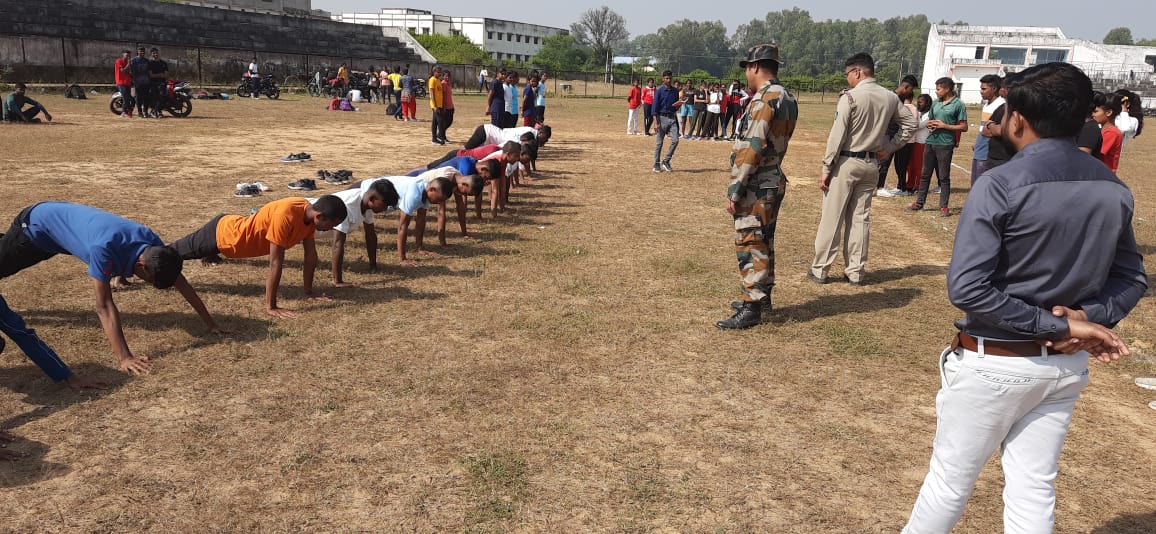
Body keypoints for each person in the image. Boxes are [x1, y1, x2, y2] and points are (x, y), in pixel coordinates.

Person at [901, 61, 1147, 534]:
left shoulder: (1000, 183)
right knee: (1033, 489)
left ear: (1016, 119)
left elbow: (968, 287)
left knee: (949, 484)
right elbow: (1131, 277)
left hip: (996, 360)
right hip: (1062, 368)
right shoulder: (1111, 187)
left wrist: (1069, 324)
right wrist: (1086, 318)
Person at [0, 202, 225, 375]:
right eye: (149, 280)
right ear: (141, 266)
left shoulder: (151, 243)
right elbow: (104, 306)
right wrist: (125, 358)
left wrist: (211, 324)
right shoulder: (103, 250)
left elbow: (181, 282)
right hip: (34, 230)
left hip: (58, 228)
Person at [809, 53, 915, 287]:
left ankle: (820, 269)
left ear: (857, 72)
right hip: (871, 165)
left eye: (848, 74)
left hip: (846, 162)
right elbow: (910, 124)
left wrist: (826, 167)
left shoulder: (850, 98)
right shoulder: (890, 97)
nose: (847, 79)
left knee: (832, 217)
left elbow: (837, 136)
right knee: (860, 219)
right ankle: (855, 271)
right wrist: (889, 147)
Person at [715, 45, 799, 330]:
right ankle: (762, 298)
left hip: (756, 183)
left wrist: (735, 189)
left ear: (754, 67)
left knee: (750, 242)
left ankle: (752, 305)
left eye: (746, 69)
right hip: (773, 179)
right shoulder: (787, 97)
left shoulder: (765, 100)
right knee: (764, 241)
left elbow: (753, 147)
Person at [169, 196, 347, 318]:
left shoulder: (309, 217)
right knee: (167, 255)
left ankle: (208, 254)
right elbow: (275, 262)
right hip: (222, 236)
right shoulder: (285, 215)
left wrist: (309, 293)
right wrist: (272, 306)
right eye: (332, 224)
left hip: (232, 234)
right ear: (320, 216)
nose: (331, 229)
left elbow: (311, 257)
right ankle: (141, 264)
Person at [313, 179, 399, 287]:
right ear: (372, 199)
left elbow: (370, 235)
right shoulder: (347, 206)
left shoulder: (366, 205)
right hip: (304, 225)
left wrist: (373, 265)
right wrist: (338, 281)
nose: (385, 208)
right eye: (384, 204)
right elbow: (338, 244)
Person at [909, 77, 967, 216]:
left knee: (943, 176)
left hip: (945, 144)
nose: (936, 92)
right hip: (931, 142)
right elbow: (931, 120)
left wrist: (945, 126)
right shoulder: (935, 103)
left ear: (947, 89)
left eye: (938, 89)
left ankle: (944, 207)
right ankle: (919, 202)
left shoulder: (958, 104)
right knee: (925, 174)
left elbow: (964, 127)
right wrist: (931, 125)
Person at [382, 175, 453, 265]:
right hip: (367, 189)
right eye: (439, 199)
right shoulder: (414, 194)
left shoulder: (426, 192)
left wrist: (420, 248)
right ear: (432, 190)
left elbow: (421, 220)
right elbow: (402, 226)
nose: (439, 202)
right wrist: (403, 259)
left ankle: (418, 248)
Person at [874, 74, 918, 196]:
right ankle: (879, 187)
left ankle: (879, 186)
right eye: (911, 89)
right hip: (887, 133)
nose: (911, 92)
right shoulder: (891, 97)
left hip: (894, 134)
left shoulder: (900, 99)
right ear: (906, 86)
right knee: (884, 160)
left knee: (886, 160)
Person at [968, 74, 1006, 184]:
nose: (981, 91)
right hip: (979, 149)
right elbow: (983, 127)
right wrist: (977, 142)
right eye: (981, 88)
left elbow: (997, 130)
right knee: (974, 182)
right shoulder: (987, 105)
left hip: (988, 152)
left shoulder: (1001, 105)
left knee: (981, 184)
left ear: (994, 89)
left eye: (984, 89)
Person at [980, 75, 1016, 171]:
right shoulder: (996, 106)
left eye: (1002, 87)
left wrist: (991, 126)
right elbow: (984, 130)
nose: (981, 91)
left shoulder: (1003, 106)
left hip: (1001, 157)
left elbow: (1001, 130)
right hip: (989, 153)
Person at [651, 71, 683, 173]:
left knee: (675, 140)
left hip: (672, 118)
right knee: (659, 143)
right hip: (661, 118)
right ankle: (656, 164)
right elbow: (654, 108)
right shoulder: (659, 91)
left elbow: (675, 106)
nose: (669, 80)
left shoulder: (675, 91)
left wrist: (680, 104)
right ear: (663, 79)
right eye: (666, 78)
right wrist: (656, 122)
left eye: (670, 78)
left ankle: (666, 161)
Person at [904, 94, 932, 194]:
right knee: (910, 166)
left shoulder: (929, 114)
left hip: (922, 142)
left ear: (927, 103)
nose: (918, 104)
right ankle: (910, 184)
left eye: (921, 102)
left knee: (920, 166)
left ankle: (919, 186)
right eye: (918, 101)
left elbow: (919, 126)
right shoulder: (917, 112)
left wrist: (911, 121)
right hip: (913, 142)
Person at [1092, 91, 1123, 173]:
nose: (1092, 114)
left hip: (1103, 175)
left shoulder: (1112, 133)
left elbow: (1097, 153)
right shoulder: (1103, 130)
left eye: (1095, 112)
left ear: (1109, 112)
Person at [129, 47, 152, 118]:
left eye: (143, 51)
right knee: (138, 97)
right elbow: (130, 71)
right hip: (137, 82)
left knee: (146, 98)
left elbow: (149, 72)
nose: (142, 53)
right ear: (137, 52)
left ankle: (145, 111)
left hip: (146, 82)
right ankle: (140, 112)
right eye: (140, 51)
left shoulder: (147, 61)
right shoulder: (133, 60)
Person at [147, 48, 169, 119]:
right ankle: (154, 111)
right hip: (153, 83)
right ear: (151, 54)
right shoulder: (150, 63)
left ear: (159, 53)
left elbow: (166, 74)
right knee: (154, 97)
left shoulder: (163, 63)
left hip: (162, 83)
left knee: (162, 96)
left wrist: (158, 75)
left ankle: (158, 111)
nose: (155, 54)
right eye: (154, 53)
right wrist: (160, 74)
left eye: (156, 53)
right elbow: (151, 75)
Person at [114, 50, 134, 118]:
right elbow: (122, 71)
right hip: (120, 82)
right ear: (123, 54)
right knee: (125, 97)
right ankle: (125, 112)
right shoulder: (119, 61)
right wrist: (128, 64)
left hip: (128, 82)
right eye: (127, 55)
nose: (128, 57)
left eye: (129, 56)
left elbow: (130, 73)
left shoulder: (129, 63)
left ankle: (126, 112)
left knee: (128, 98)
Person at [428, 66, 445, 144]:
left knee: (435, 122)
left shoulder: (438, 80)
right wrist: (435, 106)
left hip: (439, 104)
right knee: (440, 121)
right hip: (435, 104)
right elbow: (432, 94)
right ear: (434, 72)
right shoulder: (432, 80)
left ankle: (434, 138)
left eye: (440, 72)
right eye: (438, 72)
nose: (439, 73)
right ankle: (441, 137)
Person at [440, 71, 455, 140]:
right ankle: (442, 136)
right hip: (445, 106)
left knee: (450, 121)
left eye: (448, 76)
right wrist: (443, 107)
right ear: (443, 76)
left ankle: (441, 134)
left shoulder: (449, 84)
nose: (447, 77)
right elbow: (442, 96)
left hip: (450, 105)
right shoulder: (443, 84)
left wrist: (452, 105)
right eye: (445, 76)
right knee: (445, 122)